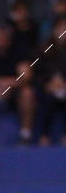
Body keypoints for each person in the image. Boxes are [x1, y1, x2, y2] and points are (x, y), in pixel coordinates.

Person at [38, 17, 66, 146]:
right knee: (46, 99)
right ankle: (43, 135)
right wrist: (47, 84)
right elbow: (37, 72)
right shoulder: (44, 49)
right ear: (54, 30)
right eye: (61, 28)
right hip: (47, 88)